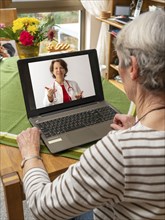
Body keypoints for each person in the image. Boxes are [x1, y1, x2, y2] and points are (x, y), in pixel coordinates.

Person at [17, 10, 165, 220]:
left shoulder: (118, 151)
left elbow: (42, 207)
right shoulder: (49, 87)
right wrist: (138, 130)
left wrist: (30, 155)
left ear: (133, 67)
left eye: (119, 60)